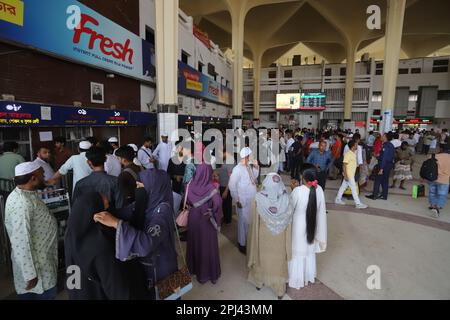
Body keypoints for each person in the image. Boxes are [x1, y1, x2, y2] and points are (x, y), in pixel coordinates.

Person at [94, 169, 178, 299]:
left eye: (140, 186)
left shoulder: (163, 210)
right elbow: (126, 211)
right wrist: (104, 210)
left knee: (167, 296)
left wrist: (116, 223)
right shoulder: (147, 202)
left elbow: (147, 243)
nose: (137, 190)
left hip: (162, 265)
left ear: (153, 187)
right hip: (150, 263)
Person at [65, 192, 148, 300]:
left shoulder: (71, 236)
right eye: (104, 208)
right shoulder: (99, 245)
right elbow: (116, 288)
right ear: (97, 212)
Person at [5, 162, 58, 300]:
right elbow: (21, 241)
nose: (45, 175)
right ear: (33, 178)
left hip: (43, 262)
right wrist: (30, 274)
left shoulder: (27, 194)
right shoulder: (22, 204)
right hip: (38, 273)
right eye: (42, 173)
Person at [247, 173, 293, 299]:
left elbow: (254, 221)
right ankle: (279, 290)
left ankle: (259, 282)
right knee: (278, 263)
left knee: (261, 259)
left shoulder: (258, 198)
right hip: (280, 236)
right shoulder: (287, 199)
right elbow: (289, 224)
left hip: (263, 236)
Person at [288, 168, 327, 289]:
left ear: (303, 179)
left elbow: (290, 209)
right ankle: (308, 275)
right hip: (312, 224)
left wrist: (292, 190)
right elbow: (321, 210)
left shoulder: (298, 191)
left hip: (298, 225)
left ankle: (296, 279)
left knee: (298, 250)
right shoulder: (319, 189)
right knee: (308, 249)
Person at [186, 164, 222, 284]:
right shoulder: (211, 187)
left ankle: (195, 271)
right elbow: (217, 204)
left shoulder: (190, 185)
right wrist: (214, 213)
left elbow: (186, 201)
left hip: (193, 218)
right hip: (206, 219)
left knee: (195, 243)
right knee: (208, 246)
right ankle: (211, 275)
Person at [229, 147, 259, 255]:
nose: (253, 157)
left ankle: (248, 241)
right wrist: (236, 199)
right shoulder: (237, 169)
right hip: (242, 199)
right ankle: (242, 244)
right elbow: (232, 185)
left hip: (251, 198)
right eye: (251, 155)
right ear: (246, 156)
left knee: (249, 221)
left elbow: (254, 178)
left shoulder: (248, 166)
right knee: (242, 222)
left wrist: (256, 167)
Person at [335, 140, 368, 209]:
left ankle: (338, 199)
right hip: (349, 175)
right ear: (353, 146)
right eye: (356, 145)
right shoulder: (348, 154)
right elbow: (344, 165)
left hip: (350, 174)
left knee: (343, 187)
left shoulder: (353, 153)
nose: (357, 146)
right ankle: (358, 204)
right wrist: (346, 175)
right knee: (354, 189)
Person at [366, 132, 395, 201]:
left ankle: (374, 195)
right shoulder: (390, 145)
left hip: (384, 165)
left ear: (386, 137)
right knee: (385, 180)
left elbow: (384, 158)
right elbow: (387, 156)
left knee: (377, 180)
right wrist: (378, 156)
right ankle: (384, 195)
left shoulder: (386, 146)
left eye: (383, 136)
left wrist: (381, 168)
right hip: (388, 165)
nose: (381, 136)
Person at [428, 150, 450, 218]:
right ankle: (437, 207)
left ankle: (432, 205)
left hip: (433, 178)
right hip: (444, 179)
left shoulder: (434, 156)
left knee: (432, 192)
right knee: (442, 194)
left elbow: (428, 166)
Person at [219, 151, 234, 224]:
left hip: (226, 187)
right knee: (224, 205)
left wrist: (226, 191)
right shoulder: (226, 160)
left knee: (227, 205)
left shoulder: (230, 161)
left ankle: (227, 221)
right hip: (223, 185)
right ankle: (226, 219)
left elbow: (231, 177)